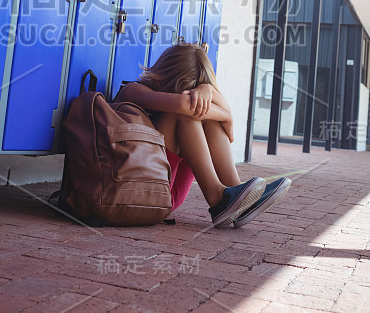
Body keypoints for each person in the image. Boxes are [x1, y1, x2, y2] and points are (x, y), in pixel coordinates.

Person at [114, 42, 291, 228]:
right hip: (145, 191)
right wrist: (225, 113)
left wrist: (209, 91)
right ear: (164, 77)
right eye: (187, 90)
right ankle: (217, 198)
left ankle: (237, 196)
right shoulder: (133, 90)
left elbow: (202, 107)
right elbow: (184, 105)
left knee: (206, 115)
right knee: (188, 113)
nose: (193, 95)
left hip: (169, 191)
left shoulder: (184, 97)